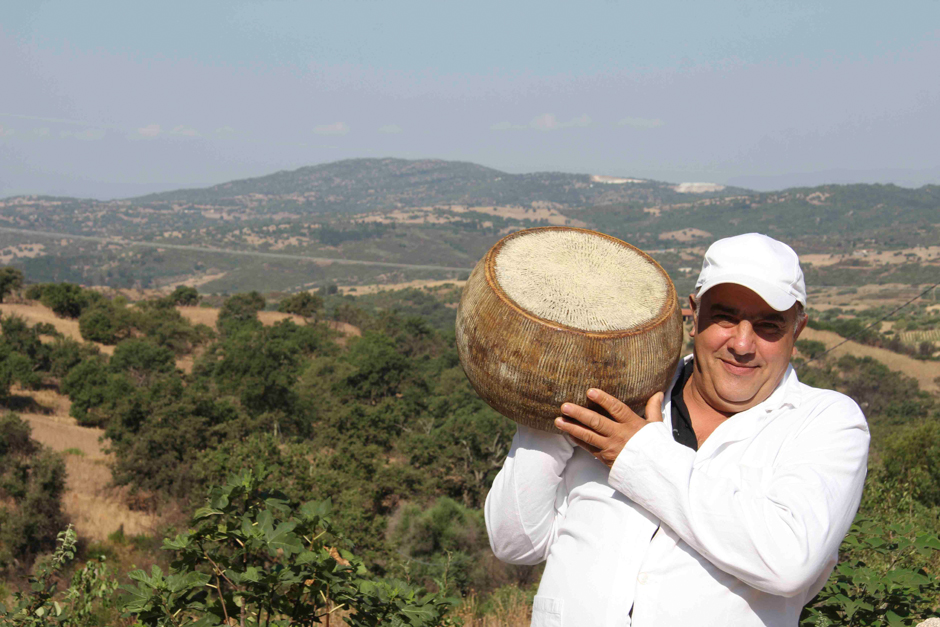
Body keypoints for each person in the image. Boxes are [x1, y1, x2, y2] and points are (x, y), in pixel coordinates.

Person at [484, 233, 870, 627]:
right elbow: (515, 543)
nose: (742, 343)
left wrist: (638, 454)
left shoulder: (826, 422)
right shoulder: (624, 393)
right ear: (693, 314)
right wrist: (550, 401)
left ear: (798, 329)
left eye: (769, 325)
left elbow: (788, 561)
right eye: (724, 317)